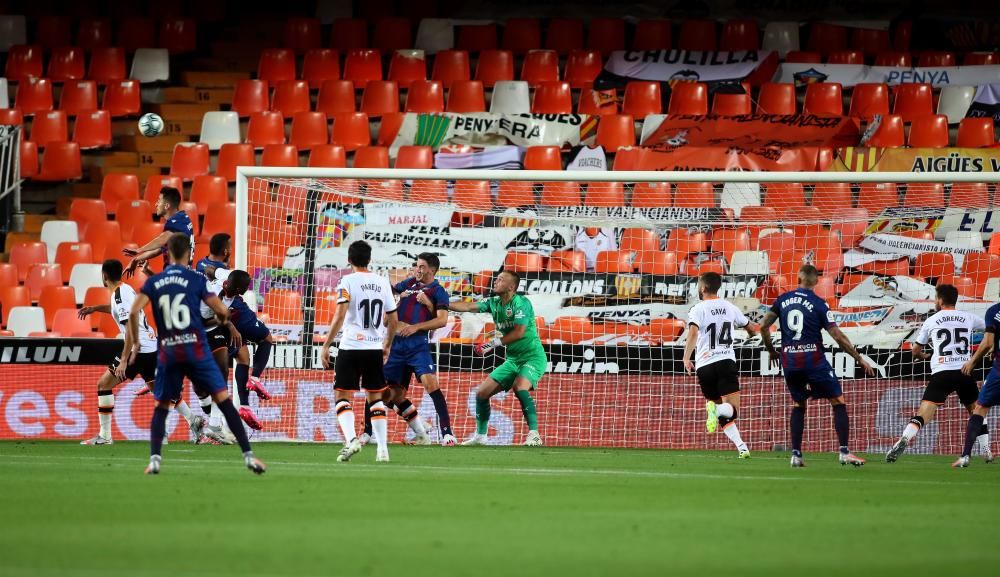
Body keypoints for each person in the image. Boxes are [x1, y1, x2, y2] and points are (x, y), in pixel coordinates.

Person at [130, 233, 265, 475]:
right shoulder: (196, 280)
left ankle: (154, 460)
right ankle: (248, 456)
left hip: (170, 349)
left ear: (168, 252)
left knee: (162, 405)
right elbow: (221, 310)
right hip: (195, 346)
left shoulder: (155, 282)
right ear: (188, 253)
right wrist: (227, 321)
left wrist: (134, 345)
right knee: (222, 397)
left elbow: (132, 313)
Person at [78, 259, 204, 445]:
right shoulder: (126, 289)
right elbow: (120, 311)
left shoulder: (118, 296)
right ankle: (193, 420)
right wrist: (96, 309)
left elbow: (128, 326)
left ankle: (105, 436)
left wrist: (123, 360)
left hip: (138, 349)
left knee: (104, 384)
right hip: (151, 347)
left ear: (104, 276)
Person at [759, 265, 874, 468]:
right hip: (812, 359)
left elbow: (763, 326)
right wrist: (859, 359)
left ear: (798, 277)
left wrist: (771, 350)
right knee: (837, 400)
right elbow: (838, 337)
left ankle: (796, 455)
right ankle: (844, 452)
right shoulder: (819, 304)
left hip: (790, 360)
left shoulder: (783, 300)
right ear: (817, 281)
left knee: (798, 404)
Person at [886, 284, 991, 463]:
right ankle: (987, 451)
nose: (935, 301)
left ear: (940, 300)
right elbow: (991, 329)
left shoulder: (932, 320)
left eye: (935, 298)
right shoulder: (968, 317)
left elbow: (915, 350)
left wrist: (925, 355)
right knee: (977, 412)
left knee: (923, 414)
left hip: (941, 373)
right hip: (964, 371)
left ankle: (905, 438)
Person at [364, 254, 456, 446]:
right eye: (416, 266)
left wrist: (416, 326)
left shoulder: (438, 291)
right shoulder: (408, 284)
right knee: (388, 394)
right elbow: (389, 295)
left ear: (432, 269)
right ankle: (371, 433)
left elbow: (441, 320)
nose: (417, 270)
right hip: (396, 346)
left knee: (431, 385)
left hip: (418, 346)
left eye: (422, 267)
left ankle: (447, 434)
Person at [320, 240, 399, 463]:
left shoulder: (348, 280)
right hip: (374, 349)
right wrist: (387, 344)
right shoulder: (382, 282)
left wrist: (326, 345)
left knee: (342, 396)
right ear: (369, 259)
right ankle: (383, 450)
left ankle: (352, 439)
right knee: (375, 399)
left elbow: (340, 314)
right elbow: (393, 319)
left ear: (349, 259)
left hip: (351, 347)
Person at [449, 270, 545, 446]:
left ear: (511, 286)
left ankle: (534, 434)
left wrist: (490, 345)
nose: (495, 281)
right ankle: (481, 436)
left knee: (519, 387)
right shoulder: (493, 302)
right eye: (496, 278)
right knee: (481, 394)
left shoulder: (521, 303)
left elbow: (519, 332)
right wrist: (442, 303)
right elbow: (469, 307)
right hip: (513, 359)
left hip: (532, 357)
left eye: (500, 279)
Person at [683, 272, 758, 458]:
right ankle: (715, 409)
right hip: (725, 361)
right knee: (731, 411)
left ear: (702, 288)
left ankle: (742, 447)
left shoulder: (697, 309)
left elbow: (692, 333)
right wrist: (752, 333)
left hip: (704, 366)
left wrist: (686, 357)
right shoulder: (730, 307)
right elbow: (751, 328)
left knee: (723, 416)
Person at [219, 269, 274, 429]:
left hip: (222, 326)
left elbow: (209, 269)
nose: (247, 289)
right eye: (245, 287)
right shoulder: (230, 297)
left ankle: (245, 406)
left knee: (243, 357)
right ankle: (255, 378)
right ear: (238, 290)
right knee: (267, 338)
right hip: (237, 315)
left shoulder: (218, 279)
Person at [954, 299, 1000, 467]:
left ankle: (965, 456)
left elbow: (987, 342)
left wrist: (972, 362)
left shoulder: (995, 311)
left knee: (979, 409)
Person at [123, 187, 193, 275]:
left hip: (176, 276)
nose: (156, 204)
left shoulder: (175, 222)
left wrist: (139, 250)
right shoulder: (183, 218)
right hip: (182, 274)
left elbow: (162, 239)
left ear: (167, 206)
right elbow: (161, 248)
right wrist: (136, 259)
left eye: (159, 200)